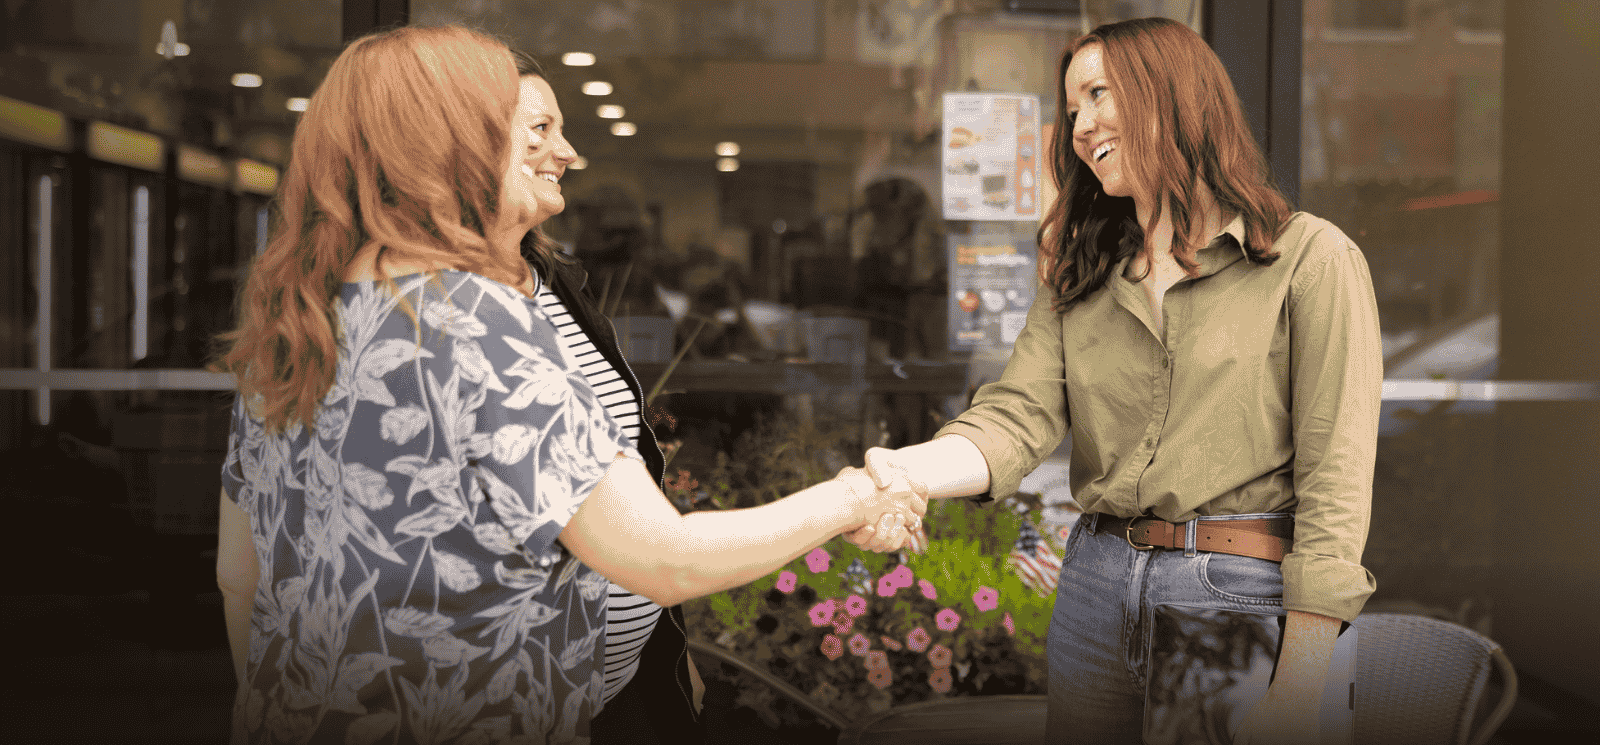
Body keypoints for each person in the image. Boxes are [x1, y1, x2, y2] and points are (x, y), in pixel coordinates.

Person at [210, 25, 923, 745]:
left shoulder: (295, 317)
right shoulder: (476, 315)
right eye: (513, 125)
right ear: (451, 140)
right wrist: (854, 496)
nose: (562, 152)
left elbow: (239, 576)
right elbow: (665, 557)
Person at [862, 17, 1381, 744]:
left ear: (1172, 95)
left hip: (1238, 591)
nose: (1080, 124)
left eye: (1098, 94)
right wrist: (903, 472)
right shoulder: (1083, 273)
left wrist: (1301, 680)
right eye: (1072, 109)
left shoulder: (1310, 259)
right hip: (1095, 588)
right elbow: (1014, 420)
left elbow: (1337, 485)